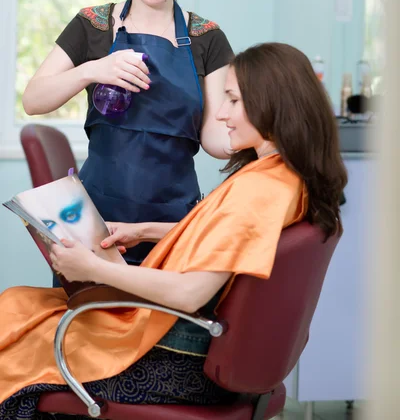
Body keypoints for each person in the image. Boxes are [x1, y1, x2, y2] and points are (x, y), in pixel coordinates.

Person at [0, 43, 347, 418]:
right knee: (21, 305)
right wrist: (145, 230)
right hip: (188, 346)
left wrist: (94, 269)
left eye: (232, 101)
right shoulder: (284, 177)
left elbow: (189, 292)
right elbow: (232, 238)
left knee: (17, 325)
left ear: (271, 105)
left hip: (175, 359)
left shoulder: (259, 190)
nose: (223, 116)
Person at [22, 0, 234, 267]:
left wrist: (270, 143)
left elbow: (215, 138)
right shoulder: (93, 26)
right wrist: (92, 70)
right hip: (97, 229)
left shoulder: (207, 38)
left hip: (173, 229)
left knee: (169, 322)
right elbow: (33, 99)